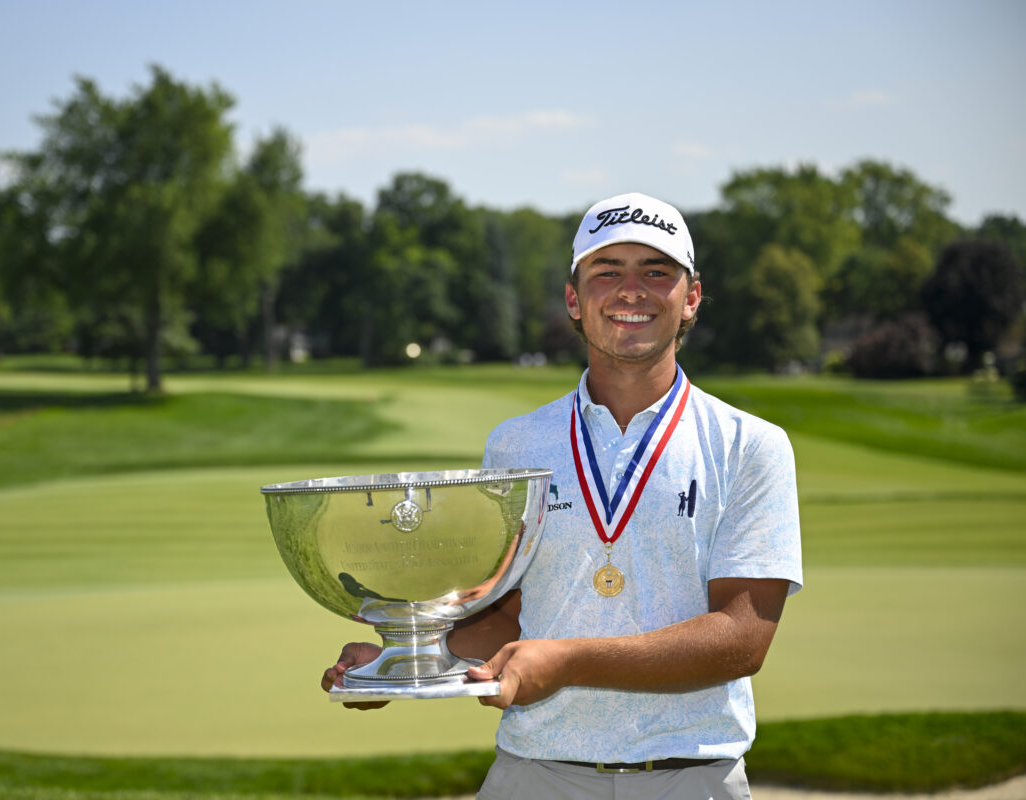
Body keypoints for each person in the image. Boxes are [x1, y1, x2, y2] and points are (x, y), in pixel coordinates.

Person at [323, 191, 803, 800]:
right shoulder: (516, 444)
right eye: (607, 272)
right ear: (575, 299)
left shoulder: (750, 445)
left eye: (657, 271)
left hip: (693, 778)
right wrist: (405, 663)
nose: (632, 290)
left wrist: (570, 660)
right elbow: (507, 614)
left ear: (692, 298)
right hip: (534, 774)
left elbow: (741, 638)